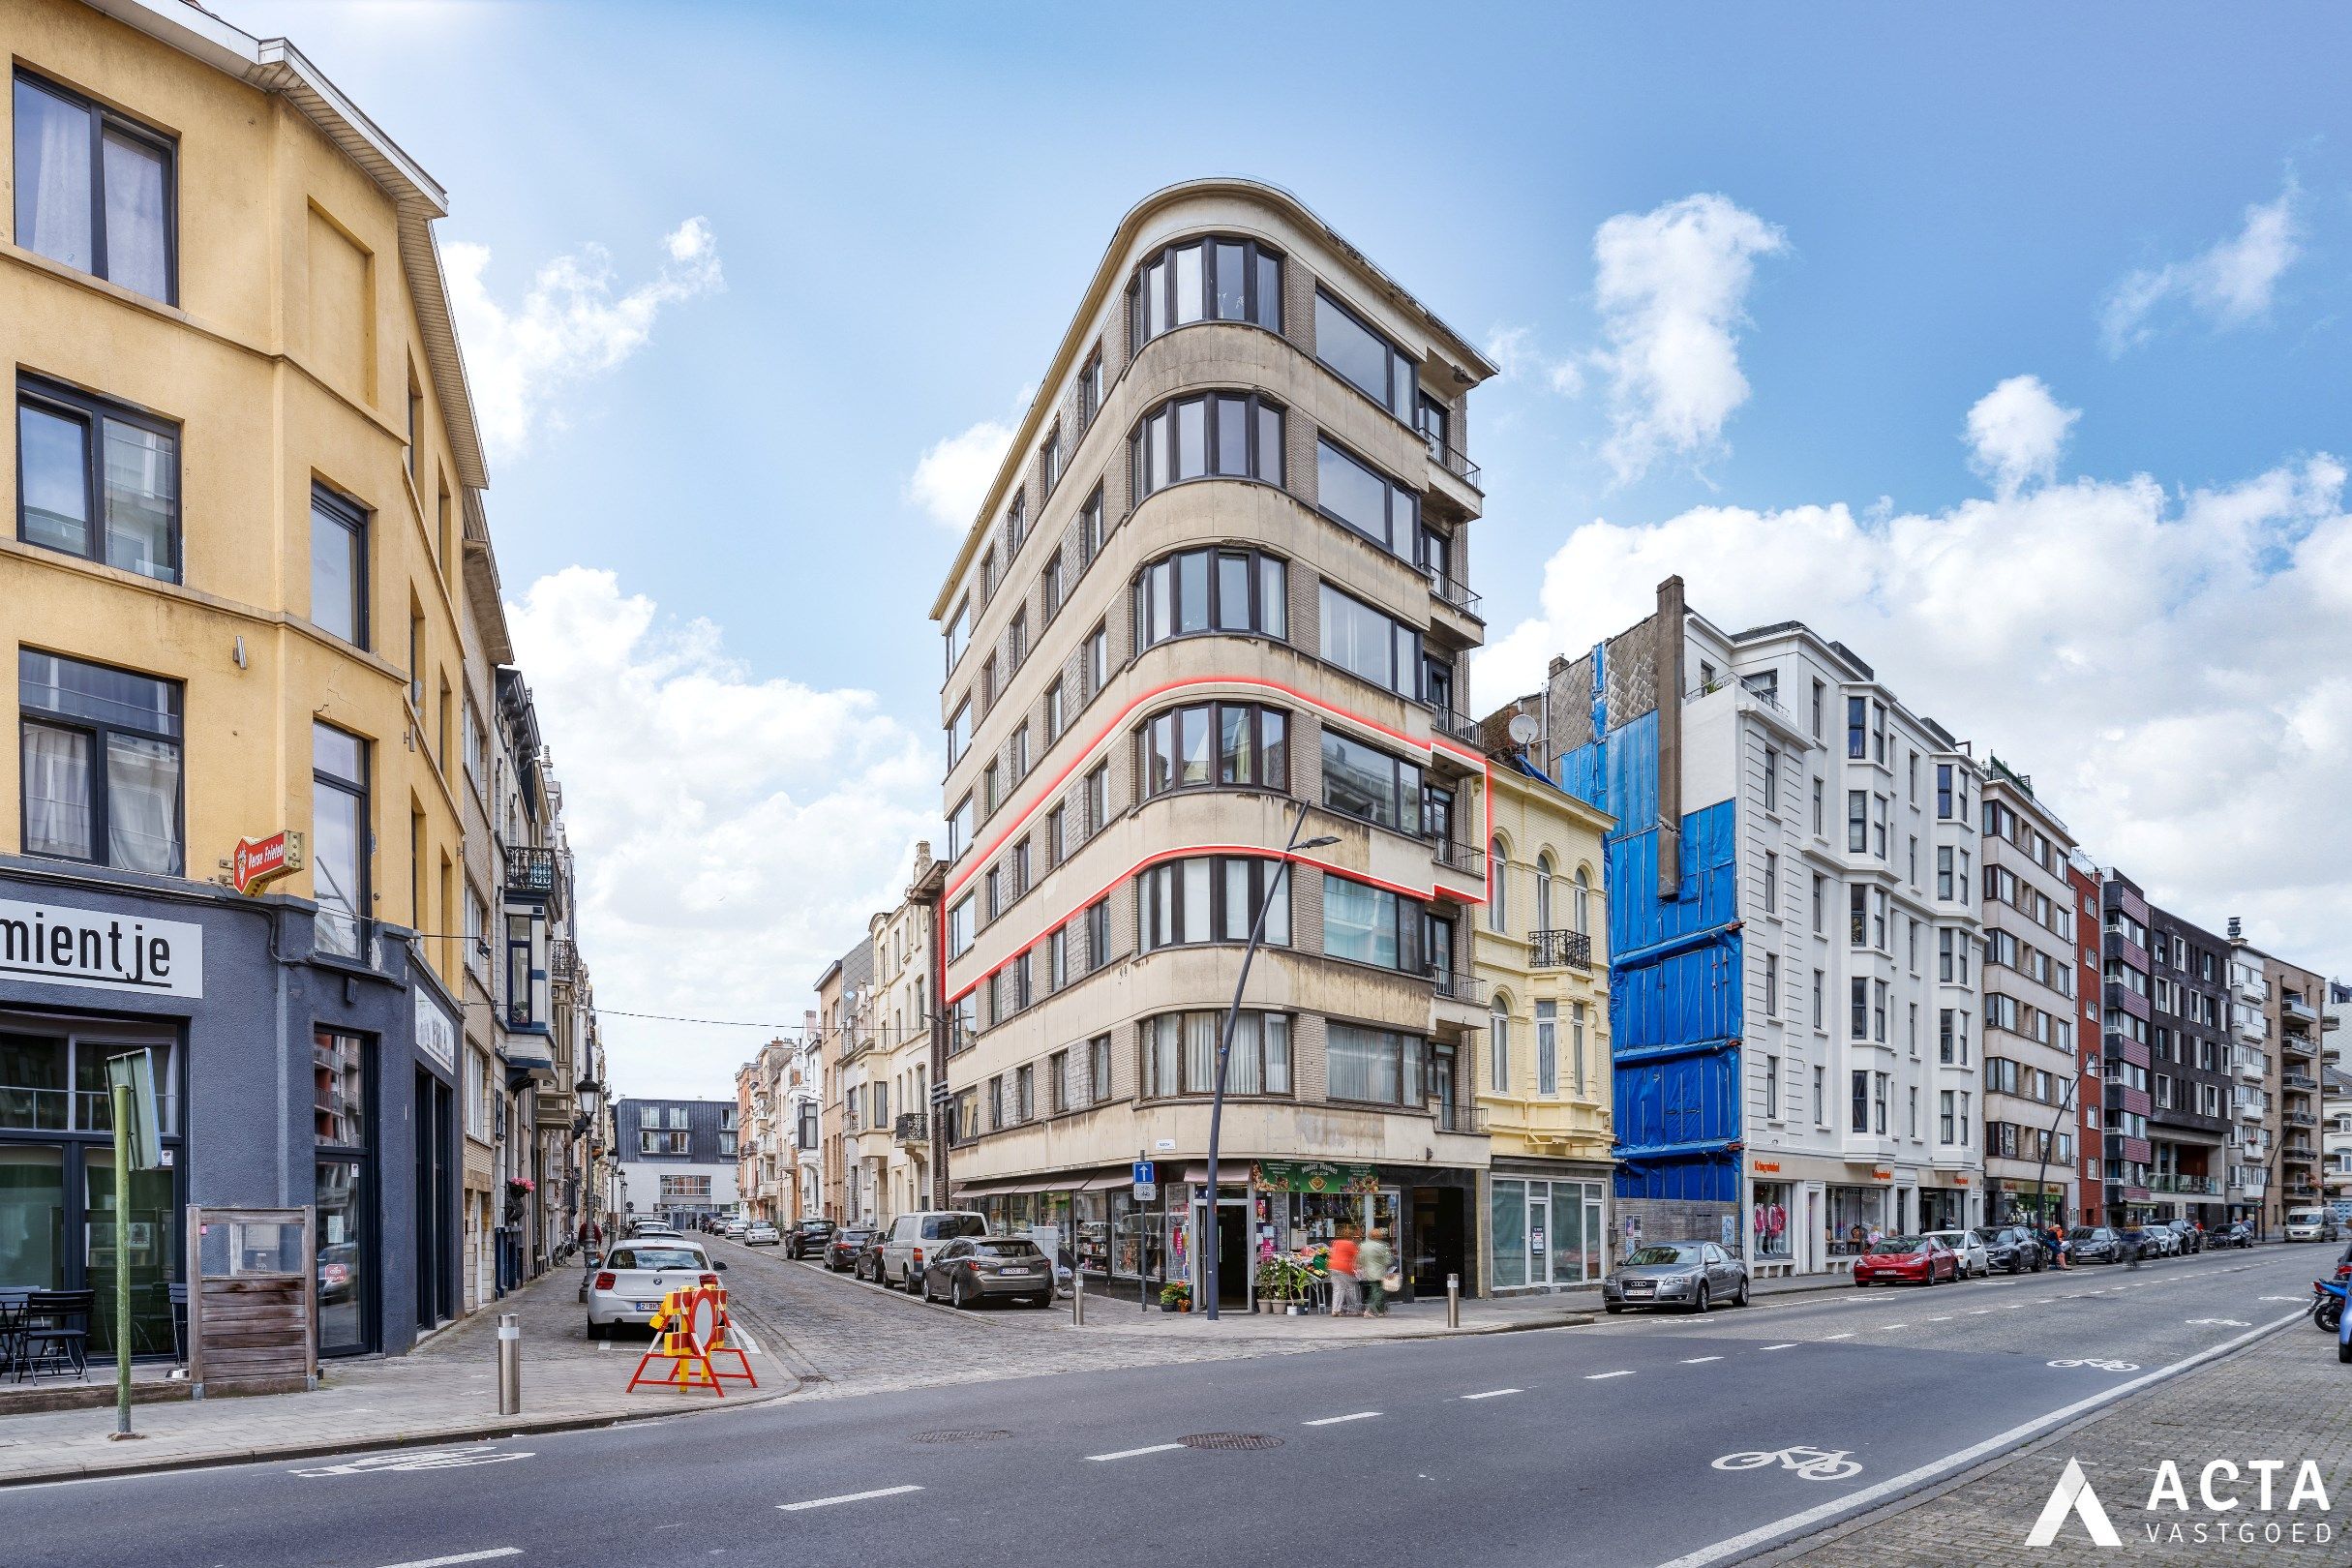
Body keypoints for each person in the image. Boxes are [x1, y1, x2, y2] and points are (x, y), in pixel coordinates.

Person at [1358, 1227, 1395, 1317]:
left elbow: (1360, 1259)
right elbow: (1388, 1261)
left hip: (1369, 1271)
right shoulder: (1382, 1246)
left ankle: (1381, 1311)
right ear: (1379, 1236)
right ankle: (1369, 1310)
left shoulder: (1363, 1245)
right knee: (1380, 1292)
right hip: (1379, 1271)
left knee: (1375, 1290)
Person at [1327, 1226, 1361, 1317]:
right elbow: (1357, 1256)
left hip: (1333, 1267)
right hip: (1343, 1268)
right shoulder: (1350, 1244)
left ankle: (1335, 1310)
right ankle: (1355, 1309)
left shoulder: (1336, 1242)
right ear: (1352, 1236)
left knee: (1338, 1289)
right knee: (1352, 1288)